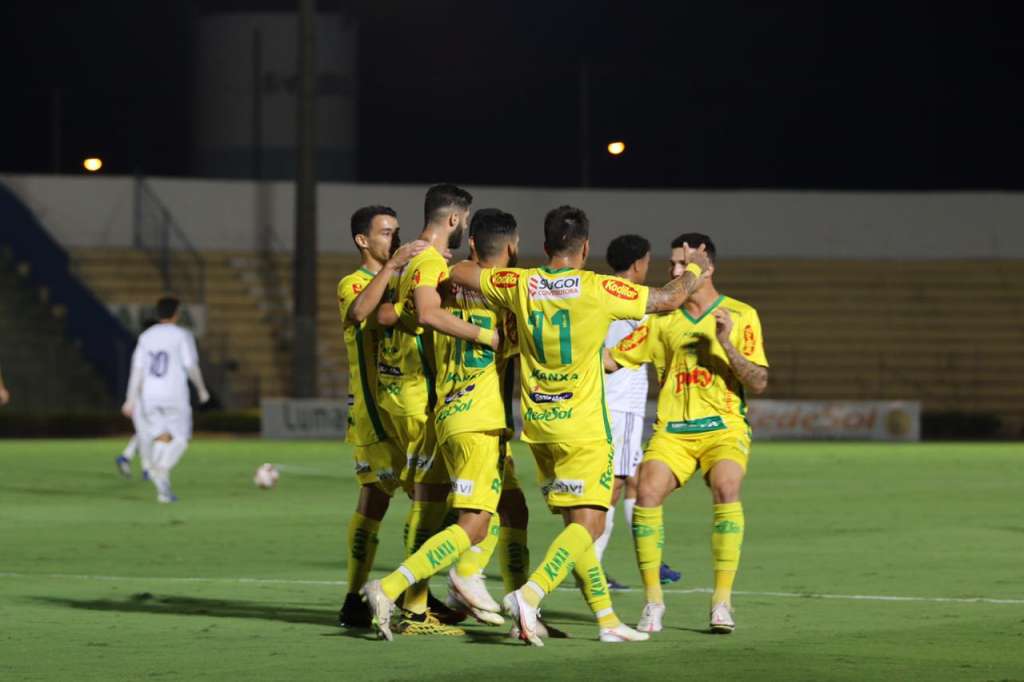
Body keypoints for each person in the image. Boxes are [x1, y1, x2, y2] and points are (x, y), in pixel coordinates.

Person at [442, 205, 710, 646]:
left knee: (576, 523)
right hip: (583, 426)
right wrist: (696, 269)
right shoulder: (599, 287)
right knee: (591, 525)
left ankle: (606, 621)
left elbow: (461, 274)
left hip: (540, 425)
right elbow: (670, 298)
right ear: (585, 247)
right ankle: (529, 595)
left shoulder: (520, 281)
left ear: (544, 247)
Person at [605, 232, 769, 635]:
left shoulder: (740, 314)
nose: (676, 271)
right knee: (646, 492)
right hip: (674, 431)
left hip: (723, 429)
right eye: (673, 264)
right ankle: (653, 602)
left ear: (707, 267)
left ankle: (721, 602)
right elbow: (610, 360)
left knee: (727, 487)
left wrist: (726, 344)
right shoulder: (660, 321)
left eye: (685, 264)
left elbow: (759, 380)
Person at [366, 184, 499, 637]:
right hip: (430, 401)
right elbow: (424, 313)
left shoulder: (419, 261)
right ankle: (448, 585)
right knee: (483, 505)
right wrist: (487, 338)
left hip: (429, 399)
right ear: (456, 220)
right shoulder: (426, 261)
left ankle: (418, 606)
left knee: (433, 504)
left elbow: (393, 316)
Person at [335, 205, 427, 627]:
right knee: (392, 502)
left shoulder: (399, 280)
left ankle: (390, 599)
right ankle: (382, 600)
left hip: (402, 408)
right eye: (385, 232)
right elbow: (359, 313)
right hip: (374, 415)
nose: (393, 238)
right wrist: (392, 267)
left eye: (396, 231)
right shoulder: (352, 283)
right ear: (362, 240)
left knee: (400, 499)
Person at [593, 235, 683, 590]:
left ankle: (653, 559)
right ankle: (591, 565)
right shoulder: (635, 299)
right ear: (638, 264)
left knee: (634, 482)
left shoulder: (599, 291)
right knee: (614, 488)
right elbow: (666, 314)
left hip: (602, 401)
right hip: (622, 405)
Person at [121, 297, 211, 503]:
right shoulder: (181, 335)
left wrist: (130, 399)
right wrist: (201, 389)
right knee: (181, 439)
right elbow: (190, 365)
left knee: (162, 437)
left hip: (150, 396)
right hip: (174, 394)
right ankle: (160, 469)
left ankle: (163, 492)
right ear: (177, 313)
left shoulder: (145, 337)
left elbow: (137, 370)